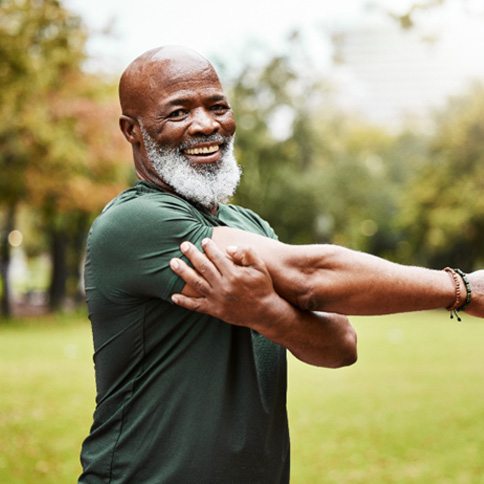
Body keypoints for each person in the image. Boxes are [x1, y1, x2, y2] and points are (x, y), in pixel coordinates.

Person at [79, 45, 483, 483]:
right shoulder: (134, 222)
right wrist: (461, 289)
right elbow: (309, 275)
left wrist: (264, 312)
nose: (206, 124)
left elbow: (340, 345)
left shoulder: (247, 225)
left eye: (217, 107)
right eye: (178, 113)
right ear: (132, 130)